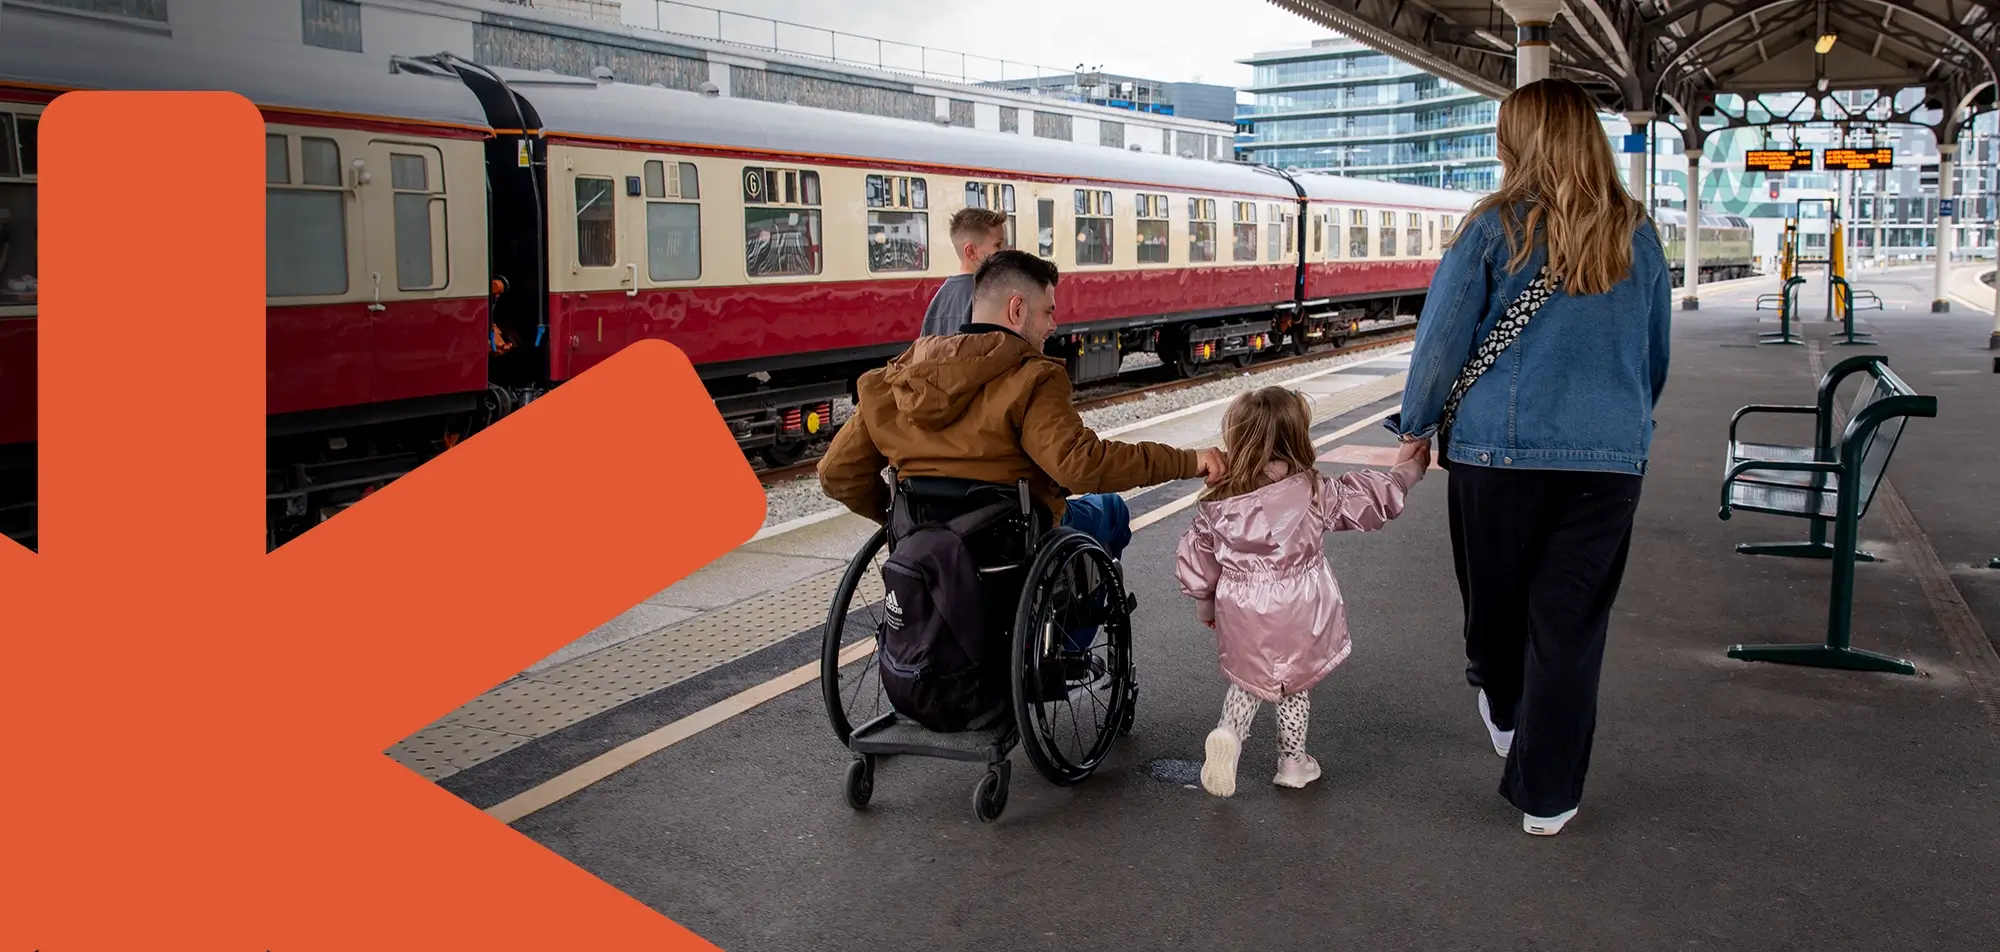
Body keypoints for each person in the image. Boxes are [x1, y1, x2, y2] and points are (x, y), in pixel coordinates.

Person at [1391, 77, 1672, 836]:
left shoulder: (1491, 228)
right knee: (1569, 626)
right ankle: (1549, 795)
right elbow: (1654, 359)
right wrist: (1619, 424)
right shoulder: (1637, 234)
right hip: (1608, 464)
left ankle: (1509, 710)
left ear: (1520, 140)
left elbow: (1441, 339)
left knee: (1496, 615)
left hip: (1498, 457)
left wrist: (1416, 427)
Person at [819, 249, 1226, 643]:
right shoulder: (1031, 378)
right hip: (1013, 548)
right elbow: (1081, 466)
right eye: (1048, 311)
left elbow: (837, 474)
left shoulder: (893, 382)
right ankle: (1070, 645)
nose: (1054, 324)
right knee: (1111, 512)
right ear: (1017, 309)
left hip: (925, 542)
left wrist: (904, 522)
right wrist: (1189, 460)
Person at [1174, 387, 1428, 797]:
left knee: (1249, 679)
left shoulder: (1219, 499)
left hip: (1241, 605)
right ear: (1296, 437)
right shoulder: (1312, 490)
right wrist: (1406, 471)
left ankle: (1229, 734)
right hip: (1300, 604)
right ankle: (1293, 763)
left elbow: (1198, 554)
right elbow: (1366, 499)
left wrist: (1205, 601)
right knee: (1294, 684)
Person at [919, 208, 1010, 338]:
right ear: (971, 252)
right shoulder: (986, 295)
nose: (1005, 251)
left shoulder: (939, 298)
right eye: (998, 245)